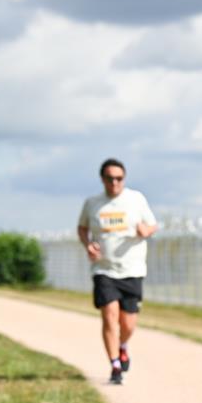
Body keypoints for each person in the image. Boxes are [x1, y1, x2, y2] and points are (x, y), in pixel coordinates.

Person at [77, 158, 158, 385]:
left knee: (128, 324)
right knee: (109, 316)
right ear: (102, 179)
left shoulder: (136, 199)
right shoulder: (92, 203)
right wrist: (88, 244)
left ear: (124, 178)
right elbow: (82, 228)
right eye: (110, 178)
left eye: (119, 178)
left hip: (132, 269)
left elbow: (152, 225)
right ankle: (114, 366)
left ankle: (123, 346)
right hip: (104, 269)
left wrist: (146, 231)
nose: (115, 182)